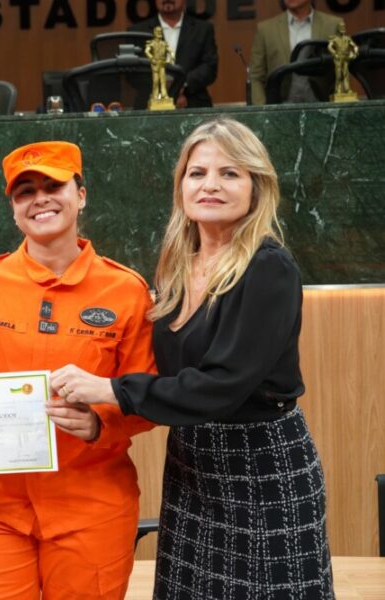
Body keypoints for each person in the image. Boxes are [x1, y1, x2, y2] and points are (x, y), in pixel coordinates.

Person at [51, 118, 334, 599]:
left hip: (261, 467)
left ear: (256, 186)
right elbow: (162, 367)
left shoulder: (268, 266)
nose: (211, 185)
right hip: (193, 466)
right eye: (197, 173)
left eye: (230, 173)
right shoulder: (177, 268)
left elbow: (221, 384)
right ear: (181, 184)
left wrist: (111, 390)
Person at [0, 141, 156, 600]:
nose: (39, 198)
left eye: (52, 185)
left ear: (81, 194)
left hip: (91, 505)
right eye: (25, 192)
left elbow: (147, 396)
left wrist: (101, 423)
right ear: (14, 210)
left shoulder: (126, 291)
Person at [250, 0, 343, 104]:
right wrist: (262, 111)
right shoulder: (266, 29)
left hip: (323, 107)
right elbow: (256, 76)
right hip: (279, 109)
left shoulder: (333, 25)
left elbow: (342, 71)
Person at [129, 0, 218, 108]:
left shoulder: (203, 29)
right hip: (148, 105)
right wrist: (162, 86)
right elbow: (132, 71)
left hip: (194, 103)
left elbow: (210, 67)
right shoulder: (136, 31)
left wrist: (181, 85)